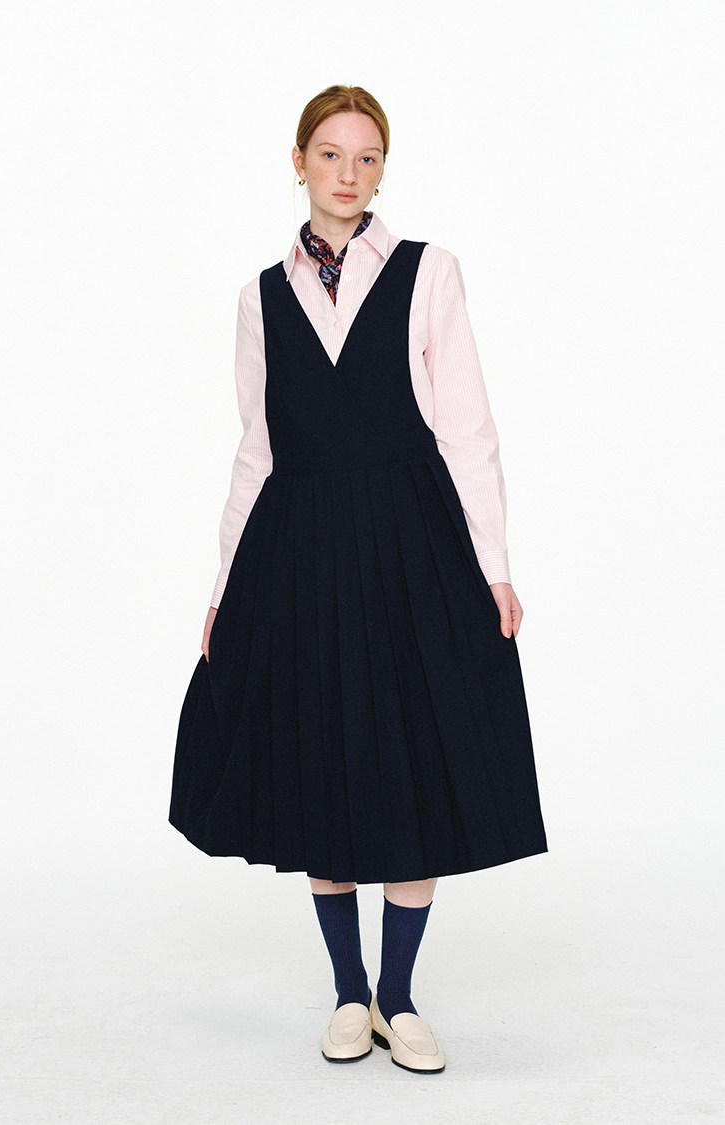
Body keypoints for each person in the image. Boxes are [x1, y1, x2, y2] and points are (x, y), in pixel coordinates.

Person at [169, 84, 548, 1074]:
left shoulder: (429, 273)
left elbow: (468, 429)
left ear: (383, 170)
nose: (349, 173)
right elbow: (256, 449)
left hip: (412, 542)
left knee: (417, 755)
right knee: (322, 758)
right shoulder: (260, 297)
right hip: (299, 551)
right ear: (298, 161)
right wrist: (223, 585)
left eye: (367, 157)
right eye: (331, 154)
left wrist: (495, 568)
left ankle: (399, 995)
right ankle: (348, 992)